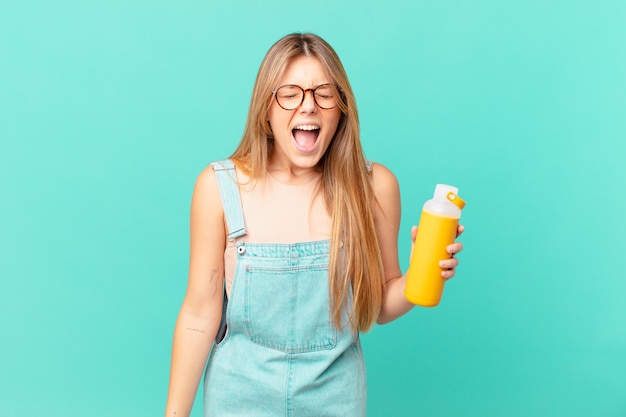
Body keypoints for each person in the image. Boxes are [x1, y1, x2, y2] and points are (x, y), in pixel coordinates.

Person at [164, 32, 464, 417]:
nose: (308, 107)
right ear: (265, 109)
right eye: (289, 93)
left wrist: (426, 269)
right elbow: (198, 314)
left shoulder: (374, 187)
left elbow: (378, 306)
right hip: (237, 395)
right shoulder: (219, 187)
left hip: (335, 397)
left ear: (341, 109)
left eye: (324, 93)